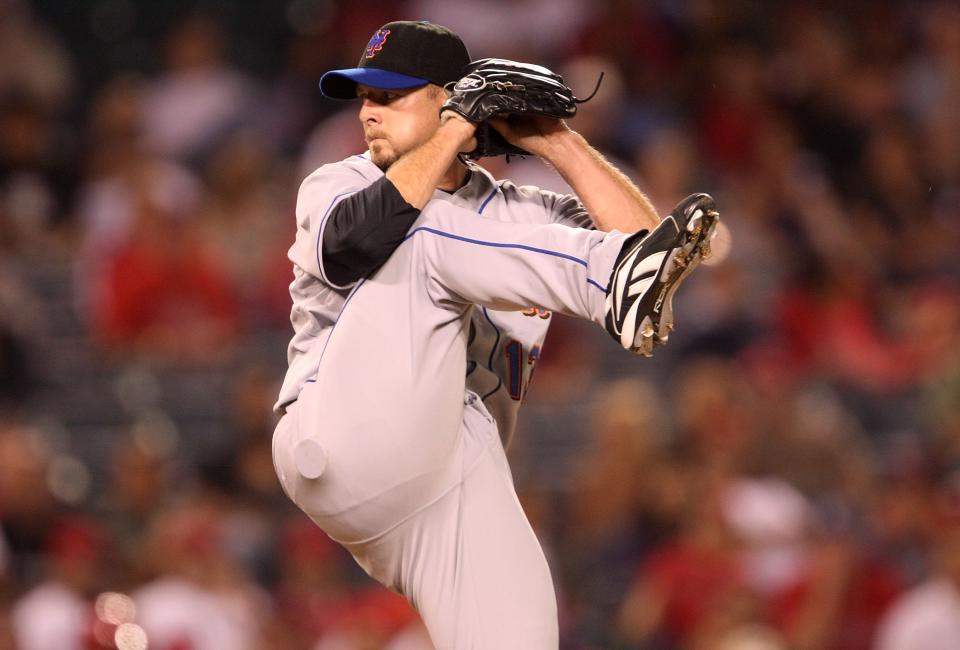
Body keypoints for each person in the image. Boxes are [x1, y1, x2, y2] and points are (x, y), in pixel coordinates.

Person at [271, 20, 718, 648]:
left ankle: (610, 282)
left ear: (447, 94)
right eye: (364, 96)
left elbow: (657, 255)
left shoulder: (518, 211)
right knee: (422, 232)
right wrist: (457, 126)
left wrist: (561, 145)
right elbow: (351, 246)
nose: (368, 111)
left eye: (390, 94)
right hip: (341, 432)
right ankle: (605, 283)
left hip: (451, 467)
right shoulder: (340, 182)